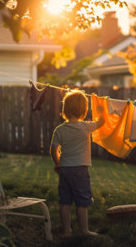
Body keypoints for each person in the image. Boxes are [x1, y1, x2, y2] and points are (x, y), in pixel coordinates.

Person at [50, 90, 104, 237]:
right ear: (83, 110)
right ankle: (84, 230)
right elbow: (102, 122)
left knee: (65, 202)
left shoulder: (59, 130)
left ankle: (66, 231)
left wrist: (58, 164)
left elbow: (53, 150)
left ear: (65, 109)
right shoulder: (86, 127)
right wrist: (100, 109)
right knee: (82, 202)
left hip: (65, 169)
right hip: (80, 170)